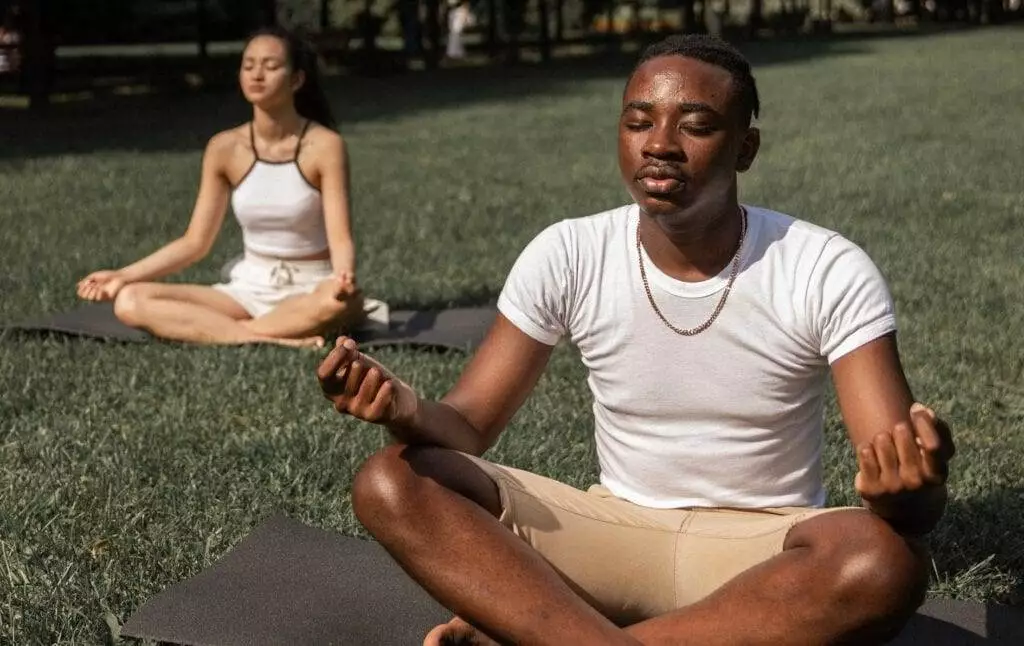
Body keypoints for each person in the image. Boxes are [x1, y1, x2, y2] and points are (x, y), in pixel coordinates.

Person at [317, 34, 956, 646]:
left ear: (746, 148)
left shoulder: (824, 266)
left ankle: (546, 631)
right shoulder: (569, 251)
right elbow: (467, 425)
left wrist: (911, 489)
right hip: (613, 535)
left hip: (765, 550)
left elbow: (901, 488)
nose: (660, 145)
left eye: (697, 125)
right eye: (638, 122)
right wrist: (405, 410)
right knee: (391, 481)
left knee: (882, 561)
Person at [77, 27, 369, 348]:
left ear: (297, 80)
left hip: (310, 287)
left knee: (337, 304)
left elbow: (340, 237)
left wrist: (343, 278)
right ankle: (268, 336)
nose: (257, 75)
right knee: (130, 300)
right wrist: (123, 276)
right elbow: (195, 242)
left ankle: (227, 332)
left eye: (271, 67)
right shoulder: (224, 147)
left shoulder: (325, 145)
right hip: (247, 288)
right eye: (248, 66)